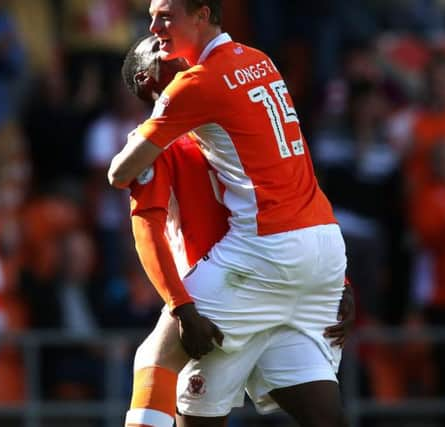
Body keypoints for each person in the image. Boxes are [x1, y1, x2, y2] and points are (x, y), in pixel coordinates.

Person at [109, 1, 350, 427]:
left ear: (201, 16)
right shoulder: (254, 64)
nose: (163, 42)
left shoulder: (202, 99)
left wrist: (182, 310)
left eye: (164, 19)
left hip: (251, 271)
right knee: (319, 412)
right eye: (161, 53)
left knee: (155, 359)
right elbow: (145, 227)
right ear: (147, 82)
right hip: (297, 260)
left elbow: (119, 176)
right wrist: (337, 278)